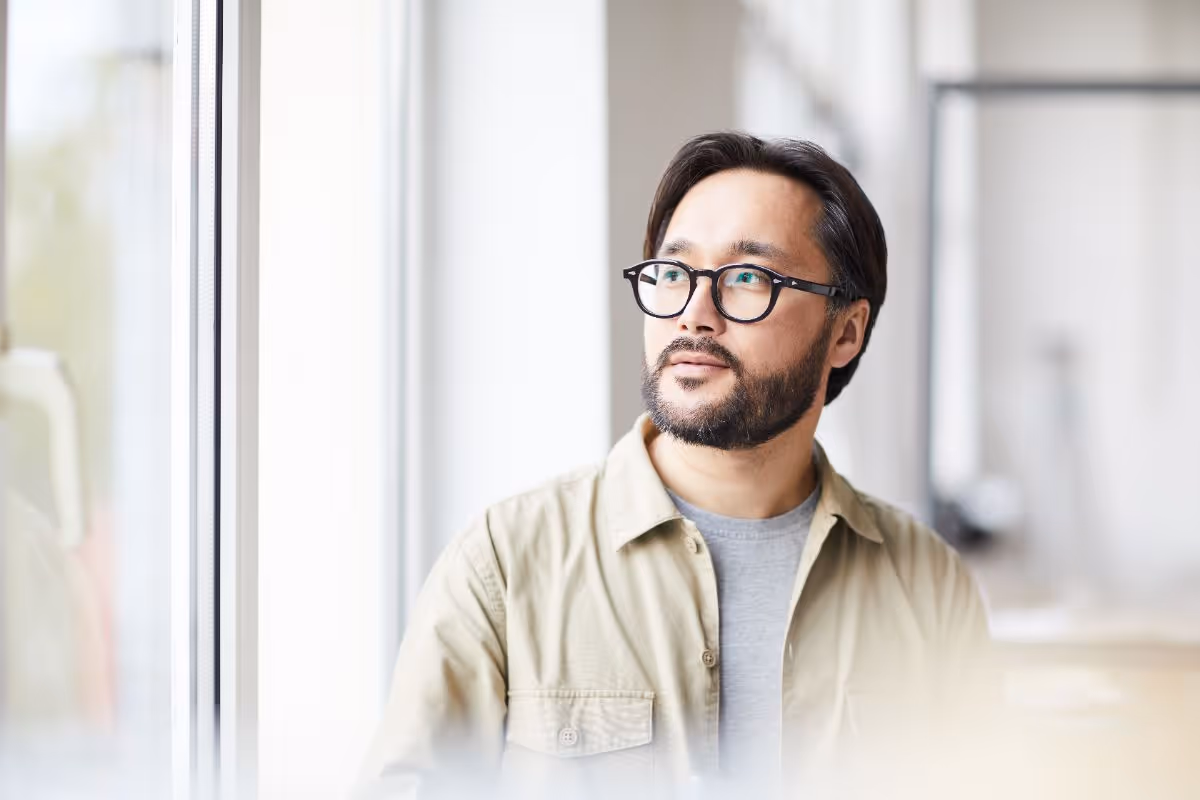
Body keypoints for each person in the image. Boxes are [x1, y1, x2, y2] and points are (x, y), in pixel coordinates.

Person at [355, 132, 994, 800]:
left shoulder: (926, 584)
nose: (694, 313)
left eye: (748, 279)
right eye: (673, 273)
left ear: (845, 332)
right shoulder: (507, 563)